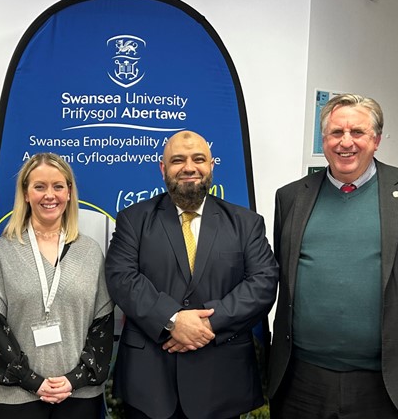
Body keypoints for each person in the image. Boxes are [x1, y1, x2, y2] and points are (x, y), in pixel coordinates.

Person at [268, 93, 398, 419]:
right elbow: (284, 270)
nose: (345, 143)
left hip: (385, 380)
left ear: (376, 140)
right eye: (336, 133)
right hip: (302, 380)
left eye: (358, 133)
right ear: (323, 139)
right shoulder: (291, 197)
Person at [105, 130, 279, 419]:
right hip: (150, 383)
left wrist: (208, 324)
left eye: (199, 159)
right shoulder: (133, 220)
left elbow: (263, 283)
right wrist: (173, 320)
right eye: (177, 160)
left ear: (211, 166)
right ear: (163, 168)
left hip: (222, 382)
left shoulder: (246, 223)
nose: (189, 167)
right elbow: (122, 278)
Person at [0, 152, 114, 419]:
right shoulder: (3, 252)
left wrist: (74, 379)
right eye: (39, 186)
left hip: (79, 395)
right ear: (26, 194)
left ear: (69, 192)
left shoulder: (90, 251)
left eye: (58, 186)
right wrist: (31, 381)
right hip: (17, 396)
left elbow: (103, 325)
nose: (49, 195)